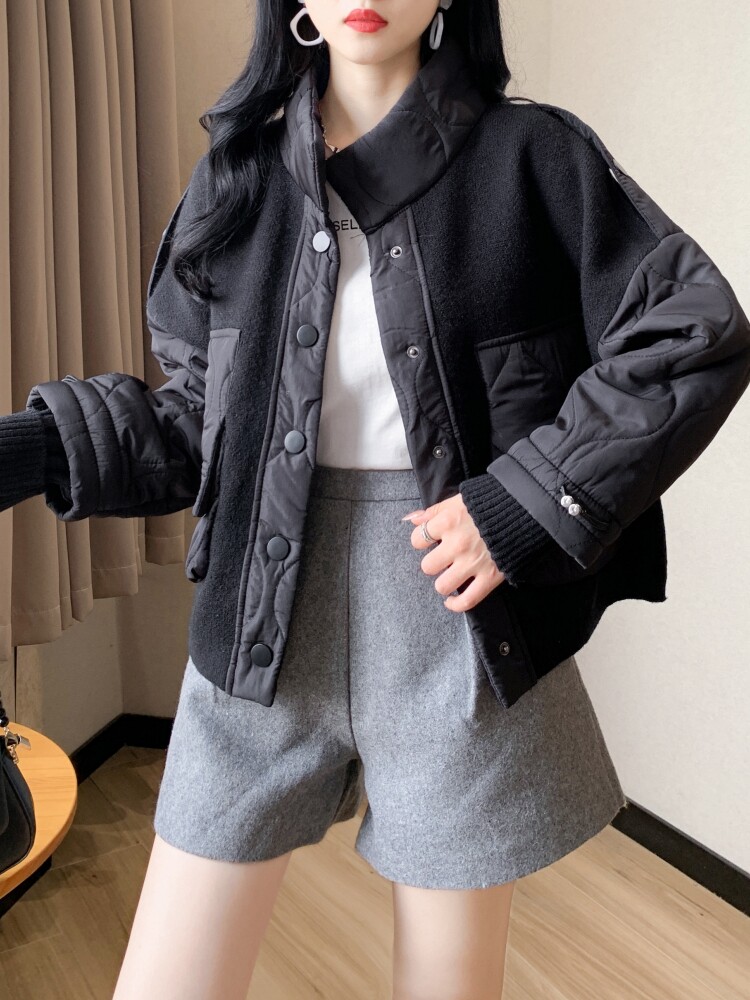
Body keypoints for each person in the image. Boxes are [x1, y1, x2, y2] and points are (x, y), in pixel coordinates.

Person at [1, 2, 748, 998]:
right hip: (257, 628)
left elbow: (692, 328)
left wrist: (524, 500)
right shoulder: (237, 177)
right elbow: (203, 424)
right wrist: (34, 446)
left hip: (455, 636)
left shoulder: (533, 157)